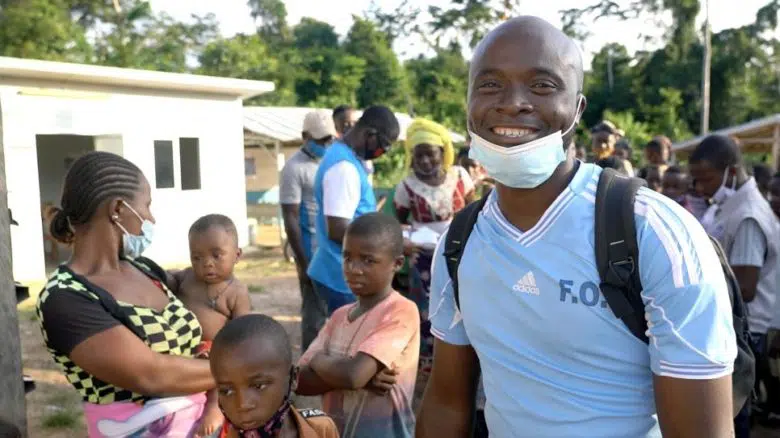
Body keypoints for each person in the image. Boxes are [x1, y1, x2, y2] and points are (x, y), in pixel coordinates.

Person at [417, 16, 737, 437]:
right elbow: (445, 402)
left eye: (542, 86)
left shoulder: (653, 233)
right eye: (490, 84)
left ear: (578, 109)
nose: (513, 102)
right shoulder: (460, 242)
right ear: (468, 103)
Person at [35, 151, 214, 437]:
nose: (150, 217)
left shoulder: (144, 270)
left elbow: (198, 284)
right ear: (118, 208)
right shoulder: (64, 299)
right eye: (147, 205)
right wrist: (242, 367)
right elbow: (152, 374)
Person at [297, 213, 420, 438]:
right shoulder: (338, 317)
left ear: (397, 264)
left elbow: (353, 376)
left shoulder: (400, 311)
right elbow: (299, 381)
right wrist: (358, 377)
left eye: (368, 260)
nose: (354, 268)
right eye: (347, 258)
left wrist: (318, 362)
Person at [689, 135, 780, 437]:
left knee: (729, 414)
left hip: (743, 330)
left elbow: (745, 287)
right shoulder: (730, 205)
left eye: (707, 179)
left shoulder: (748, 215)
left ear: (730, 170)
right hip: (729, 323)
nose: (701, 189)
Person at [393, 118, 476, 409]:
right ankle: (430, 371)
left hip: (459, 254)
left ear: (444, 152)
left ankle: (462, 362)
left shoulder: (460, 177)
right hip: (424, 259)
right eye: (419, 155)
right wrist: (408, 241)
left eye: (431, 153)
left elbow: (473, 211)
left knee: (462, 305)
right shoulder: (406, 187)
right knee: (428, 313)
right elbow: (398, 224)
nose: (425, 161)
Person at [307, 105, 400, 314]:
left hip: (343, 271)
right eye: (383, 146)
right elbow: (338, 229)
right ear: (369, 134)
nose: (382, 153)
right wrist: (383, 245)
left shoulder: (345, 157)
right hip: (342, 277)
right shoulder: (344, 168)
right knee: (349, 342)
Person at [174, 214, 253, 437]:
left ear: (237, 255)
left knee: (225, 369)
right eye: (196, 257)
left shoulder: (236, 291)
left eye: (216, 255)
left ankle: (214, 407)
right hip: (184, 349)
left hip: (216, 349)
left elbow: (241, 332)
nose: (206, 263)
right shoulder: (186, 278)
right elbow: (164, 280)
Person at [210, 314, 339, 438]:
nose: (243, 404)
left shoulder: (321, 428)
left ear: (293, 378)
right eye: (227, 391)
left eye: (258, 385)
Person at [280, 110, 336, 350]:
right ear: (305, 136)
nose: (325, 144)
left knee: (337, 312)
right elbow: (290, 217)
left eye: (328, 139)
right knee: (314, 315)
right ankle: (308, 369)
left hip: (333, 247)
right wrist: (303, 262)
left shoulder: (333, 160)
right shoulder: (294, 168)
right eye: (320, 140)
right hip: (310, 250)